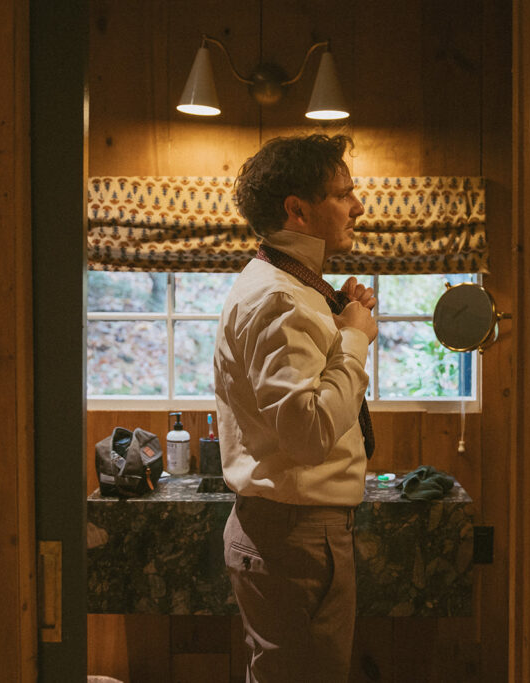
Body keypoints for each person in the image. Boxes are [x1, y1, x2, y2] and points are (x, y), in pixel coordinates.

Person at [213, 133, 377, 682]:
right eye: (343, 193)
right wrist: (354, 340)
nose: (358, 206)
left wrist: (341, 320)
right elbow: (308, 434)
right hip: (297, 537)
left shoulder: (294, 288)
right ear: (297, 210)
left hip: (292, 532)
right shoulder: (280, 297)